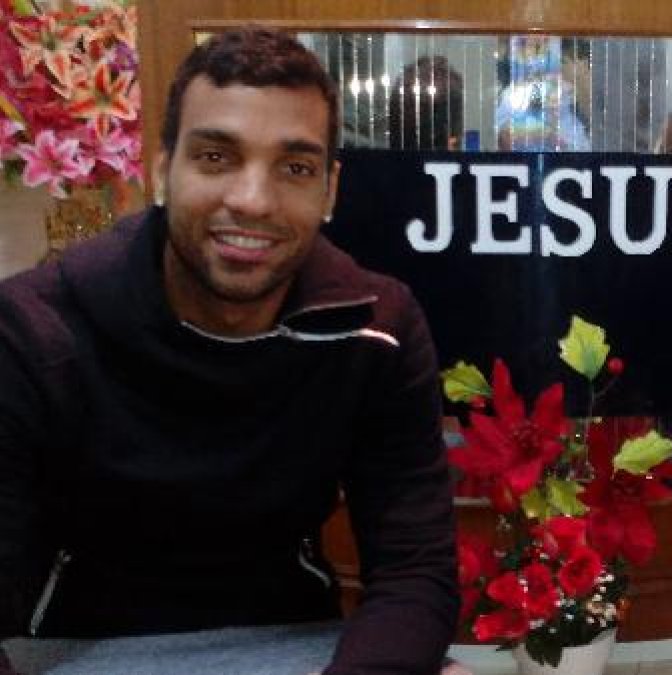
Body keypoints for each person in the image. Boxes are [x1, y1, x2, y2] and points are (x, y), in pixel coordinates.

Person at [0, 27, 457, 674]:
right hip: (73, 647)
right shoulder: (33, 331)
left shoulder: (376, 328)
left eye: (295, 168)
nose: (252, 200)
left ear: (329, 190)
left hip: (296, 641)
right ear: (162, 170)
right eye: (216, 157)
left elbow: (415, 570)